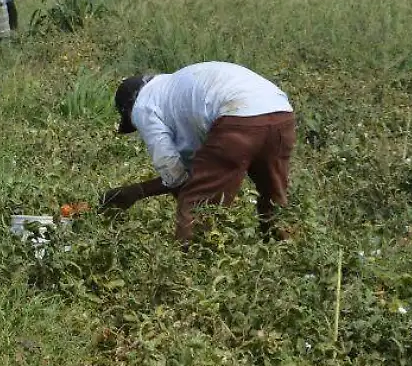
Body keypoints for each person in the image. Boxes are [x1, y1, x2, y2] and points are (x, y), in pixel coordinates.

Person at [101, 62, 295, 242]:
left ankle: (187, 268)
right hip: (281, 112)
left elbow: (173, 171)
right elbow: (197, 168)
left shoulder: (143, 105)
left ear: (129, 109)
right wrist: (137, 192)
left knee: (193, 204)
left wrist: (185, 197)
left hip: (238, 117)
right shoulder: (176, 89)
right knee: (273, 199)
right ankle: (287, 254)